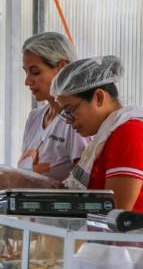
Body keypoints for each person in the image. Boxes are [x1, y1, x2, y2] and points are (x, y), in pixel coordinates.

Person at [52, 55, 143, 214]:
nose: (68, 121)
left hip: (130, 238)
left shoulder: (130, 134)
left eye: (71, 111)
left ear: (99, 97)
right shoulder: (108, 137)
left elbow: (115, 212)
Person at [18, 32, 90, 181]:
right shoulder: (34, 118)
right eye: (26, 72)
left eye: (35, 72)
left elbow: (84, 187)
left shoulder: (76, 123)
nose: (27, 82)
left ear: (62, 68)